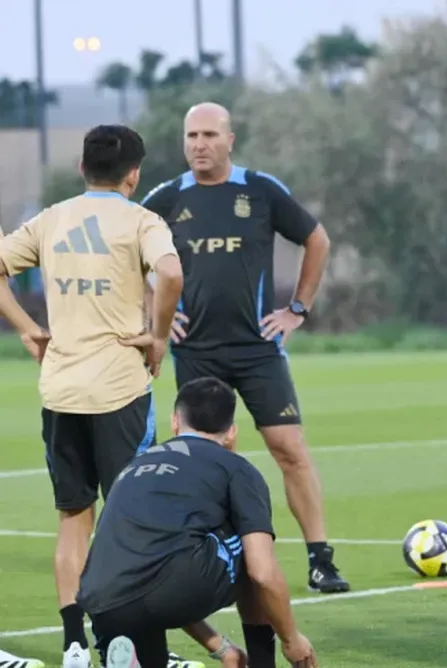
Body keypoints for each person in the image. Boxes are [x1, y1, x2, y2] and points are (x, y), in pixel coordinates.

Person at [139, 102, 349, 595]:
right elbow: (125, 253)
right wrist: (156, 313)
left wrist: (297, 308)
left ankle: (321, 560)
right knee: (198, 460)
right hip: (197, 352)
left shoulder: (260, 190)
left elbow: (317, 239)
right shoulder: (166, 199)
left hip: (258, 349)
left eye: (210, 134)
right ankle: (203, 561)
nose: (200, 144)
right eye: (192, 135)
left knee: (289, 449)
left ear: (230, 140)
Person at [0, 125, 187, 668]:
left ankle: (75, 645)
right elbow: (171, 272)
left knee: (72, 517)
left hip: (59, 390)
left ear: (83, 169)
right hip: (117, 390)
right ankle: (131, 647)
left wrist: (25, 326)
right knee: (129, 521)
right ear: (134, 174)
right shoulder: (141, 220)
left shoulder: (52, 217)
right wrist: (157, 334)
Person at [77, 377, 317, 668]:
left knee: (167, 554)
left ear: (175, 421)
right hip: (171, 592)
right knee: (248, 546)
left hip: (101, 598)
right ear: (231, 432)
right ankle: (262, 664)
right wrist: (291, 639)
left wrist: (220, 648)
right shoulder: (237, 468)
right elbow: (262, 573)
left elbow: (154, 560)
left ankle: (131, 653)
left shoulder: (134, 466)